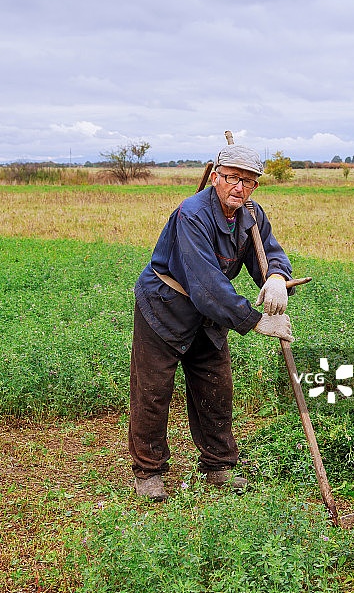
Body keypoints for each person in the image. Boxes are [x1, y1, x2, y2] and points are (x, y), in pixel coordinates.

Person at [129, 144, 295, 501]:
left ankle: (218, 465)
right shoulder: (192, 214)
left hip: (210, 313)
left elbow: (268, 251)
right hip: (165, 306)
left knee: (215, 387)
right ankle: (148, 471)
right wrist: (255, 321)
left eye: (249, 182)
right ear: (216, 177)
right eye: (234, 178)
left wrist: (277, 277)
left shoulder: (251, 215)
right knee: (153, 391)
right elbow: (204, 283)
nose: (240, 187)